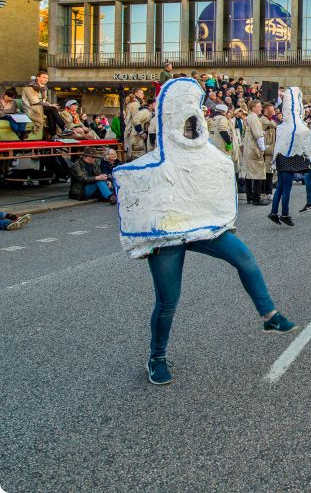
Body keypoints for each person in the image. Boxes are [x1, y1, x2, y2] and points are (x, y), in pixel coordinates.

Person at [112, 77, 298, 386]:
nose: (191, 129)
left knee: (244, 258)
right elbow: (135, 189)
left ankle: (269, 316)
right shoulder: (155, 160)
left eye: (193, 123)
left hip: (203, 226)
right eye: (185, 124)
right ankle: (156, 356)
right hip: (167, 233)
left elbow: (220, 176)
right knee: (168, 300)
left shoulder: (209, 157)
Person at [269, 87, 311, 226]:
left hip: (281, 157)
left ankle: (274, 212)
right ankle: (285, 213)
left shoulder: (282, 125)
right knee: (286, 187)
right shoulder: (298, 125)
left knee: (281, 186)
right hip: (290, 158)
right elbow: (305, 138)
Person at [21, 71, 66, 139]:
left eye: (47, 78)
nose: (46, 79)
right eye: (44, 77)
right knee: (53, 109)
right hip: (31, 107)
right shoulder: (29, 87)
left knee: (50, 113)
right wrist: (50, 105)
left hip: (41, 107)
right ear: (38, 78)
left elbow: (43, 101)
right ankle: (63, 128)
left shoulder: (44, 87)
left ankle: (53, 134)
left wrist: (49, 104)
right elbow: (34, 101)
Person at [240, 101, 269, 205]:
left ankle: (250, 197)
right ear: (253, 108)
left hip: (248, 147)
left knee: (249, 173)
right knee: (258, 173)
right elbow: (258, 135)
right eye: (259, 106)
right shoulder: (254, 118)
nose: (260, 108)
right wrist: (262, 148)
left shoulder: (247, 118)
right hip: (254, 148)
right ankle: (256, 198)